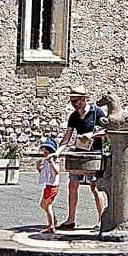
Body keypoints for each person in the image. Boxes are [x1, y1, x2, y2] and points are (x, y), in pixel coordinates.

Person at [56, 85, 106, 230]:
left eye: (76, 101)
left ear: (84, 99)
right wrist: (57, 152)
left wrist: (92, 135)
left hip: (94, 154)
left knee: (95, 187)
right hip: (79, 154)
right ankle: (70, 220)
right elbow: (66, 138)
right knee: (72, 185)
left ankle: (102, 220)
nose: (73, 104)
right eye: (71, 101)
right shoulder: (74, 116)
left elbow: (107, 130)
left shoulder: (97, 113)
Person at [36, 139, 61, 233]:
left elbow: (57, 171)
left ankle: (51, 226)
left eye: (46, 152)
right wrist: (38, 166)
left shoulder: (54, 160)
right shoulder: (46, 160)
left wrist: (52, 162)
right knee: (43, 205)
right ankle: (54, 221)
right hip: (48, 185)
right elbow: (42, 172)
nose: (44, 154)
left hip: (53, 186)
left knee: (47, 205)